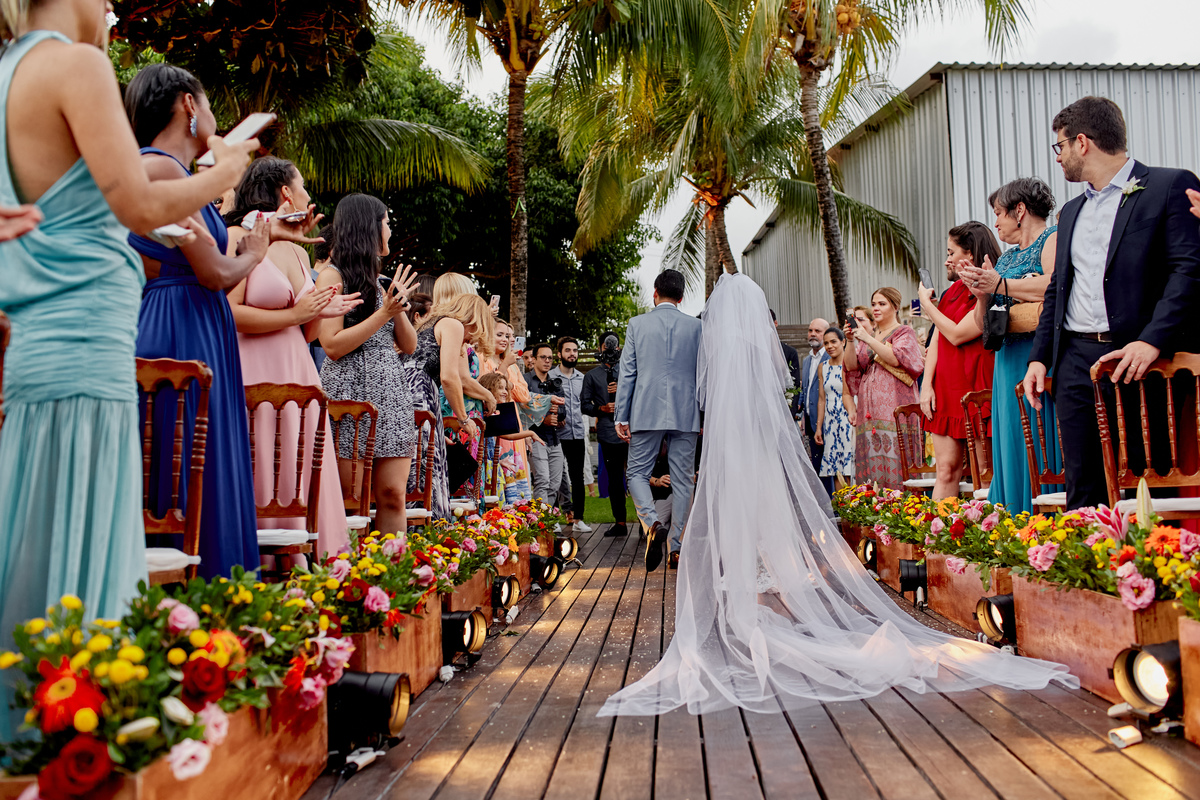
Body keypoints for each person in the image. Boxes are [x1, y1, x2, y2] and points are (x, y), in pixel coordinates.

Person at [599, 272, 1076, 718]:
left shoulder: (709, 347)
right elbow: (779, 390)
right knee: (731, 489)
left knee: (715, 490)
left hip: (716, 432)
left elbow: (700, 389)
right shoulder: (742, 348)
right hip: (753, 434)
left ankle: (720, 555)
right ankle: (763, 564)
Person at [0, 4, 254, 740]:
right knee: (78, 557)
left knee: (35, 543)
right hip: (82, 348)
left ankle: (42, 736)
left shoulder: (11, 71)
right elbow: (137, 202)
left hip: (44, 348)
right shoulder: (72, 65)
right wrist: (227, 170)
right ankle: (70, 739)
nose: (111, 8)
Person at [126, 63, 319, 579]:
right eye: (208, 101)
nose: (213, 114)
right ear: (189, 105)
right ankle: (199, 584)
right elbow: (214, 272)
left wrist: (268, 238)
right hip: (184, 320)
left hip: (188, 315)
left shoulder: (176, 174)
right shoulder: (162, 169)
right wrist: (257, 251)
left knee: (199, 449)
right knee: (190, 450)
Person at [1022, 97, 1200, 509]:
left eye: (1060, 146)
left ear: (1082, 142)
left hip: (1144, 357)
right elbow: (1057, 290)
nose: (1059, 157)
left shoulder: (1169, 186)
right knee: (1084, 484)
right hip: (1076, 361)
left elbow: (1188, 271)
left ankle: (1155, 571)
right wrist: (1039, 359)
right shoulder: (1068, 213)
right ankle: (1086, 566)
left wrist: (1153, 340)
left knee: (1151, 482)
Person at [226, 157, 361, 559]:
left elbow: (304, 331)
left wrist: (321, 310)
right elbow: (228, 311)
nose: (307, 194)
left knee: (299, 474)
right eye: (302, 186)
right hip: (253, 372)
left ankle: (305, 568)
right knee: (261, 470)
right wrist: (297, 314)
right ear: (286, 193)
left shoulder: (299, 250)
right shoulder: (239, 234)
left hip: (298, 372)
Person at [315, 194, 419, 535]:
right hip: (349, 397)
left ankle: (394, 579)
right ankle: (350, 578)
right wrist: (383, 314)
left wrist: (398, 305)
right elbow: (331, 345)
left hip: (391, 395)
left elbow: (409, 345)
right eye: (386, 221)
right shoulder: (331, 276)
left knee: (393, 495)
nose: (390, 229)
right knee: (351, 498)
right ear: (368, 227)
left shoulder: (381, 281)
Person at [957, 179, 1060, 512]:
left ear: (1020, 210)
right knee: (1011, 441)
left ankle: (1045, 518)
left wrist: (1001, 283)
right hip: (1005, 360)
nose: (996, 222)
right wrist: (981, 293)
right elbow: (978, 322)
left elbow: (1057, 284)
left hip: (1038, 355)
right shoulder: (1006, 257)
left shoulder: (1052, 239)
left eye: (999, 213)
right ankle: (1013, 519)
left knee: (1040, 438)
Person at [615, 269, 702, 572]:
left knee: (637, 474)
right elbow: (703, 375)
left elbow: (627, 373)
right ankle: (676, 548)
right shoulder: (696, 327)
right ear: (680, 297)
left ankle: (652, 524)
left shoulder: (637, 324)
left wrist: (621, 414)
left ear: (655, 293)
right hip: (686, 410)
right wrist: (702, 412)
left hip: (646, 409)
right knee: (683, 481)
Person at [917, 222, 1001, 500]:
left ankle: (988, 537)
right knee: (945, 471)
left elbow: (955, 334)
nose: (946, 260)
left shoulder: (989, 290)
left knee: (984, 473)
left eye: (951, 253)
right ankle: (937, 541)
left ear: (971, 255)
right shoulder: (951, 292)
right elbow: (937, 339)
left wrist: (927, 306)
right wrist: (926, 385)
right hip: (946, 390)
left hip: (976, 388)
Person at [407, 294, 491, 520]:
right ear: (473, 319)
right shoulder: (452, 324)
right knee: (426, 475)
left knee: (415, 471)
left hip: (408, 399)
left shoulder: (428, 325)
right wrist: (464, 419)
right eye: (476, 331)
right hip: (421, 395)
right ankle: (427, 536)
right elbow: (449, 378)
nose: (471, 340)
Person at [842, 287, 923, 489]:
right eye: (874, 304)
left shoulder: (904, 332)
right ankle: (874, 507)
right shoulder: (868, 335)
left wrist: (868, 338)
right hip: (869, 411)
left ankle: (901, 510)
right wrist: (851, 340)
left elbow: (897, 358)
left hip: (895, 407)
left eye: (882, 304)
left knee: (895, 455)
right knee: (871, 458)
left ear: (895, 307)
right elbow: (851, 366)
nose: (876, 308)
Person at [581, 331, 628, 537]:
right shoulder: (592, 376)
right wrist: (602, 409)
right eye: (607, 346)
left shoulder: (630, 371)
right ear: (600, 347)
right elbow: (584, 405)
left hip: (633, 432)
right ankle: (620, 523)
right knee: (615, 479)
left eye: (614, 346)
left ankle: (649, 525)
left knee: (640, 477)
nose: (611, 350)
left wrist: (624, 388)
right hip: (608, 433)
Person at [478, 371, 543, 503]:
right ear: (489, 389)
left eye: (506, 388)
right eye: (500, 388)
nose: (505, 392)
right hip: (484, 472)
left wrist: (530, 433)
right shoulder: (482, 414)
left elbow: (508, 435)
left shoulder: (493, 413)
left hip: (491, 467)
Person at [550, 336, 589, 532]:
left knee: (577, 478)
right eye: (568, 350)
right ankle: (554, 519)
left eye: (575, 350)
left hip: (577, 434)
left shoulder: (583, 379)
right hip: (556, 435)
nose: (572, 354)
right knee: (555, 478)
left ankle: (579, 520)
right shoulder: (549, 377)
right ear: (559, 354)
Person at [524, 343, 568, 504]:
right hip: (535, 438)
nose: (547, 361)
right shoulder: (525, 381)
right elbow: (523, 410)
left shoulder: (555, 382)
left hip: (555, 439)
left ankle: (548, 518)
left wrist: (557, 412)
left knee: (555, 483)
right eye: (543, 357)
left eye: (550, 358)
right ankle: (540, 521)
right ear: (534, 359)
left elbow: (564, 412)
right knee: (542, 479)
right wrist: (544, 419)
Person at [815, 327, 855, 487]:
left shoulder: (851, 364)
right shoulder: (822, 367)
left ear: (843, 342)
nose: (830, 346)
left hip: (849, 420)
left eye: (833, 342)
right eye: (826, 343)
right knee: (836, 469)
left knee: (850, 467)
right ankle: (841, 509)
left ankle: (856, 507)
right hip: (830, 424)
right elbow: (821, 399)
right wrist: (819, 427)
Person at [797, 317, 831, 491]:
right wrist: (801, 410)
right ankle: (823, 504)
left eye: (818, 331)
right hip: (810, 420)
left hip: (827, 419)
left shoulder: (831, 356)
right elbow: (807, 387)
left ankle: (834, 504)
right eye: (811, 330)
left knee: (829, 466)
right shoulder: (807, 359)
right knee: (816, 464)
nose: (813, 334)